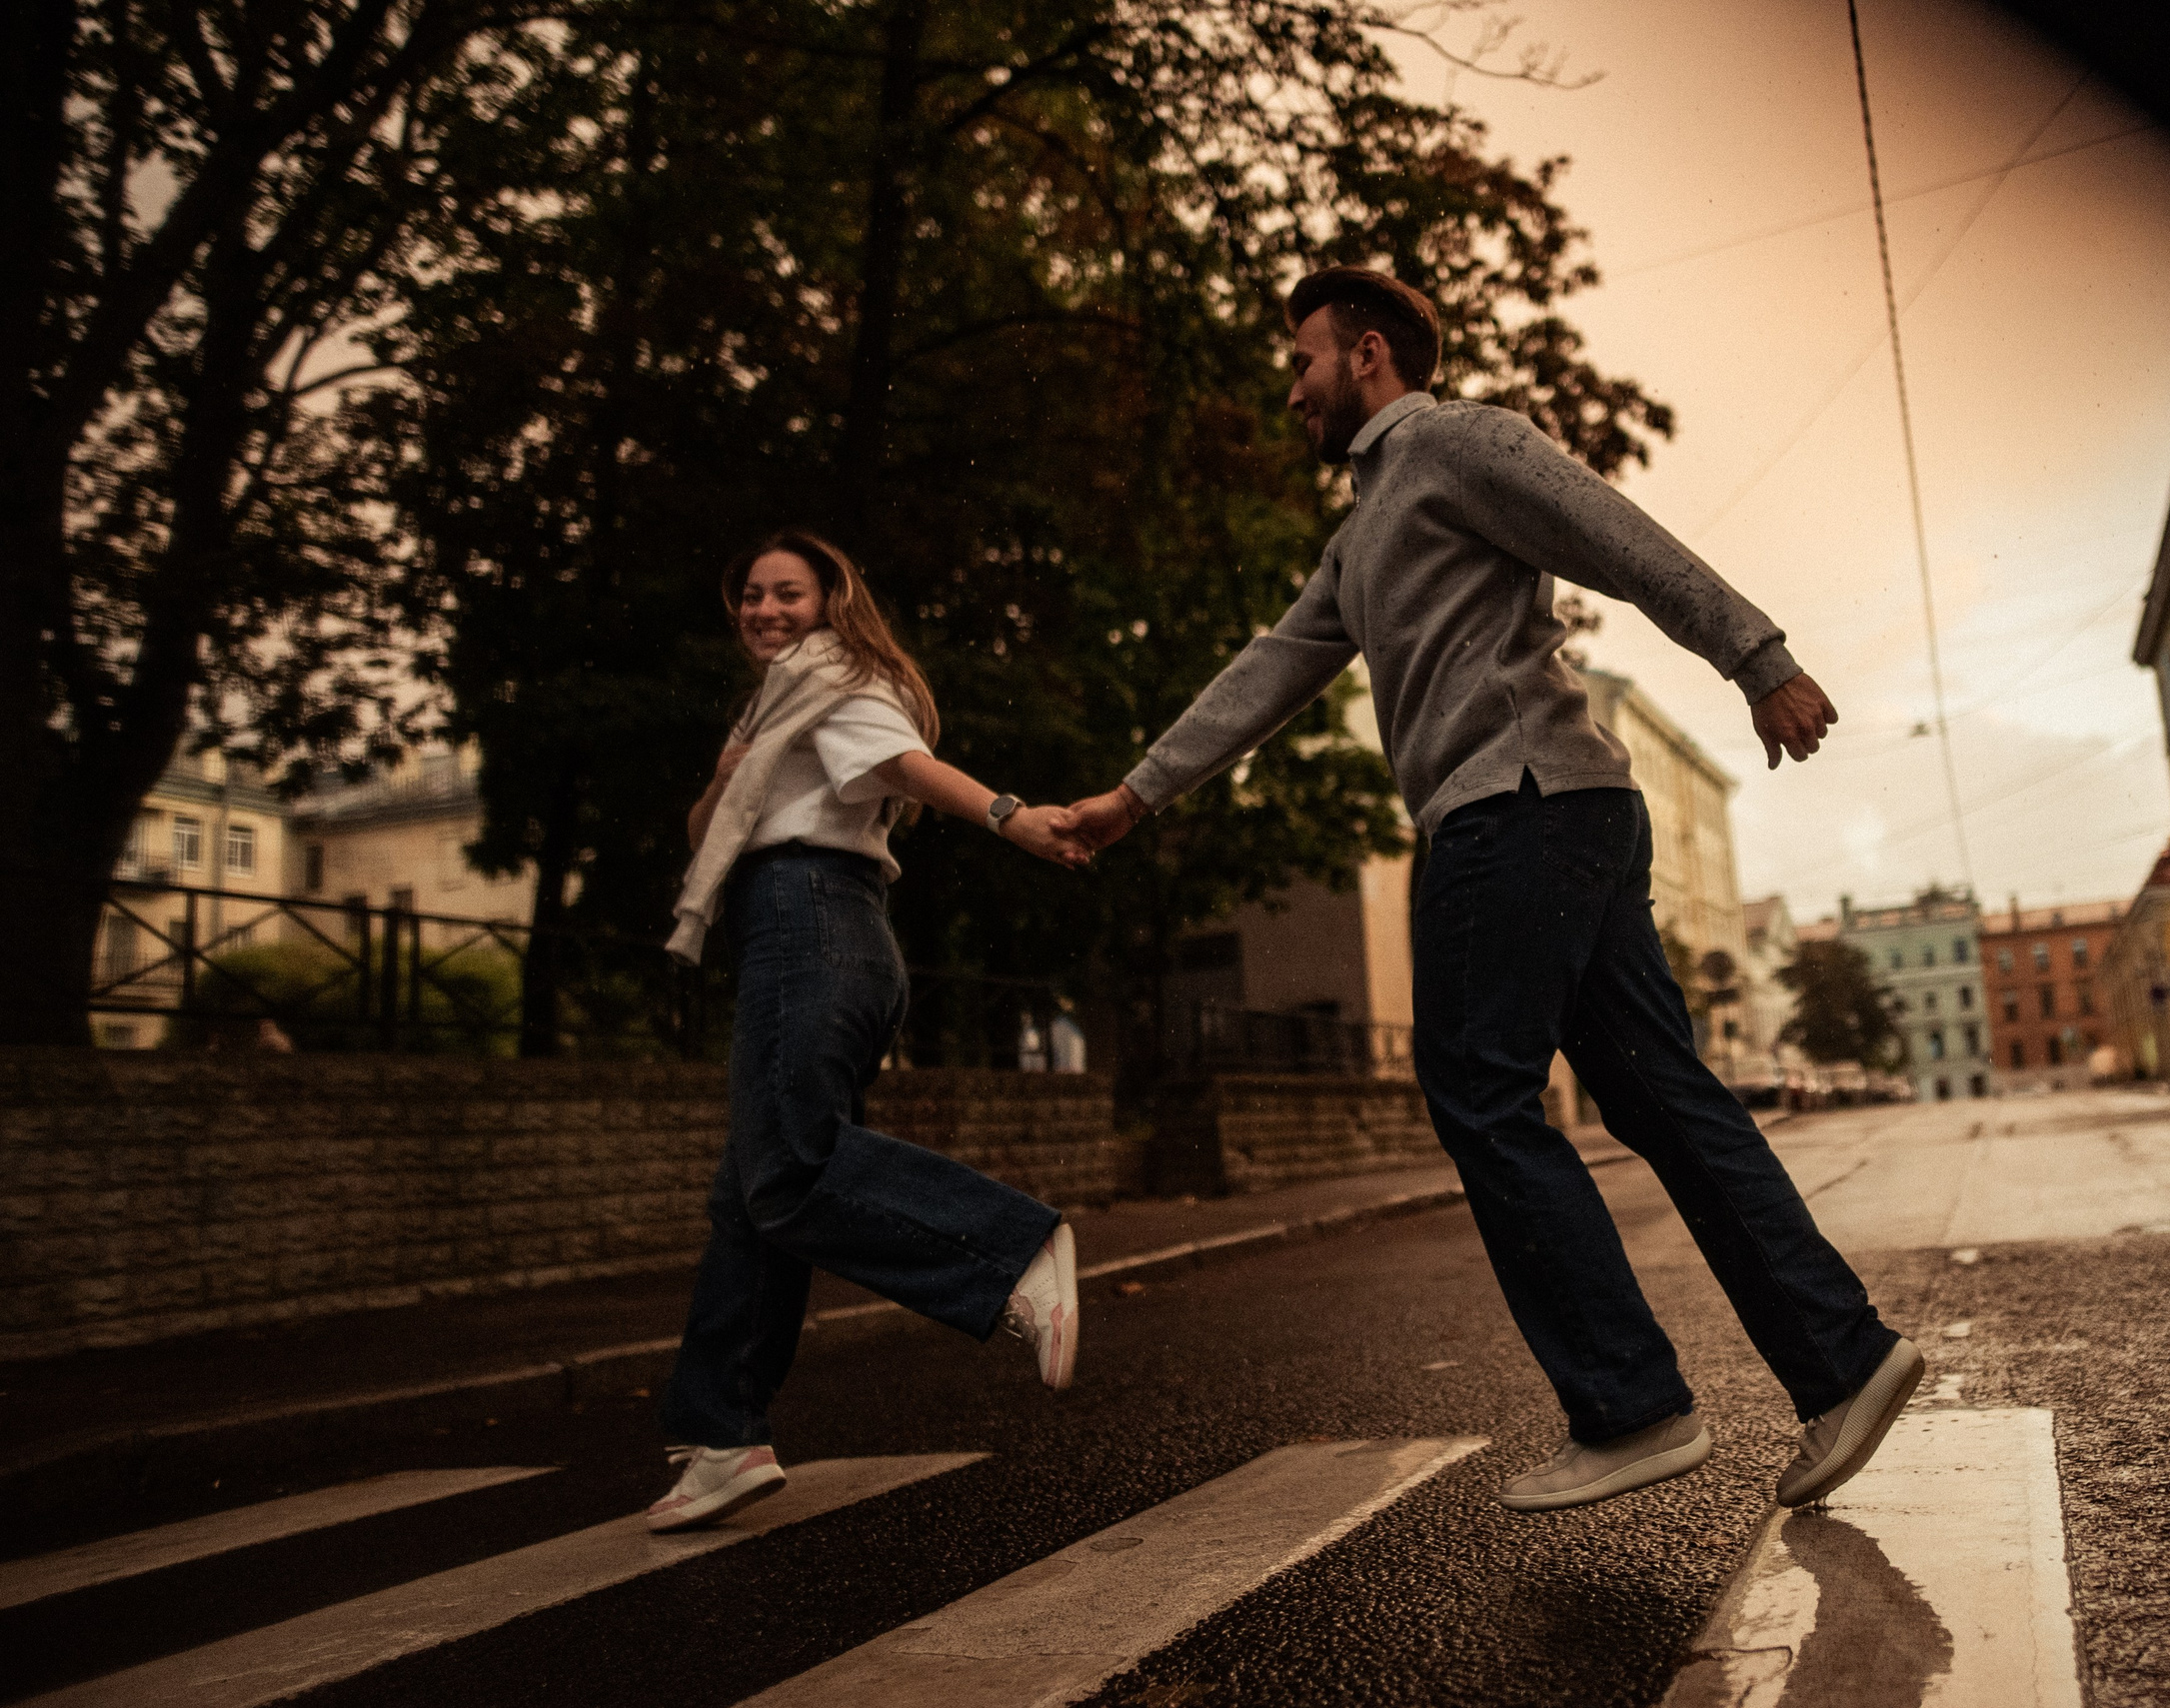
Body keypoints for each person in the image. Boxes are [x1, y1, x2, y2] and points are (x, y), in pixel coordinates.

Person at [1062, 266, 1921, 1514]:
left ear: (1366, 357)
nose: (1290, 388)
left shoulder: (1458, 442)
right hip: (1564, 817)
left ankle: (1630, 1404)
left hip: (1514, 808)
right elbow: (1270, 669)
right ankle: (1844, 1361)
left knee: (1479, 1086)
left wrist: (1757, 654)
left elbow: (1616, 535)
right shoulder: (1360, 533)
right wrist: (1132, 796)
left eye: (1303, 361)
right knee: (1661, 1096)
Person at [649, 529, 1091, 1533]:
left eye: (787, 593)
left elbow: (902, 763)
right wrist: (733, 761)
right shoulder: (776, 702)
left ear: (830, 601)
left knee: (789, 1168)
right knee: (749, 1198)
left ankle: (1007, 1247)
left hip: (808, 921)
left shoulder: (835, 672)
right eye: (751, 593)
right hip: (806, 924)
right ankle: (721, 1435)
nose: (765, 609)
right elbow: (704, 829)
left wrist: (1011, 814)